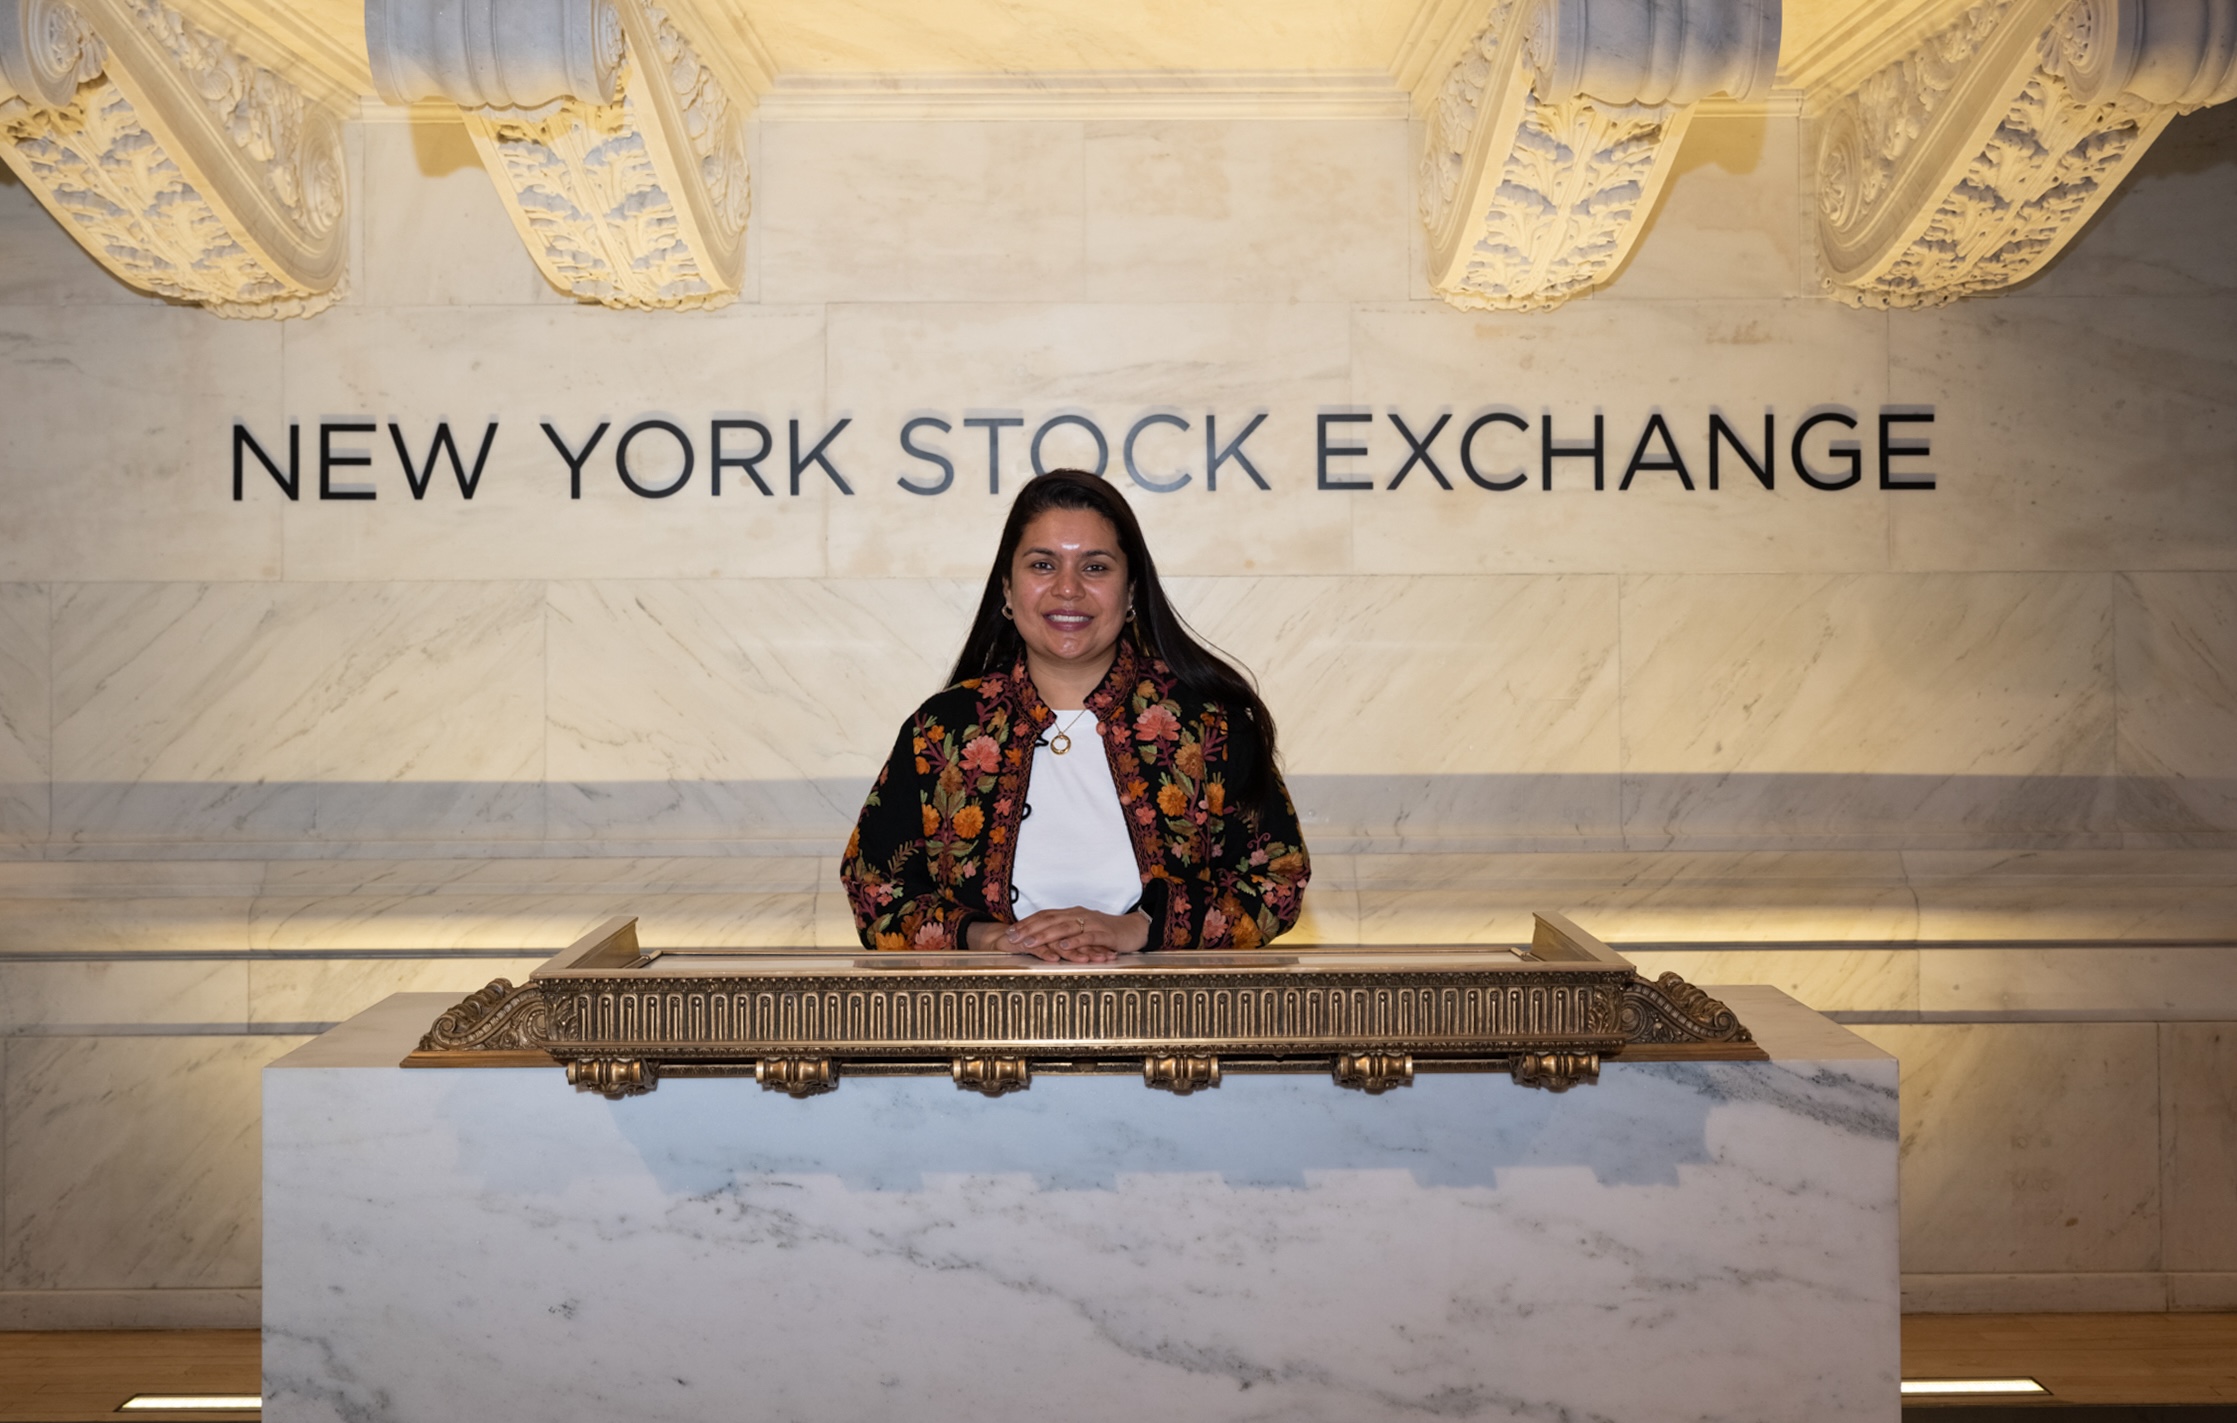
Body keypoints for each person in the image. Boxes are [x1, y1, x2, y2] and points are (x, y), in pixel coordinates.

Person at [842, 470, 1309, 961]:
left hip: (1171, 1024)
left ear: (1131, 592)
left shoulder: (1211, 727)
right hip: (986, 1022)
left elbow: (1277, 881)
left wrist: (1139, 927)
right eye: (1043, 565)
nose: (1067, 590)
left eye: (1095, 568)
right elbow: (874, 889)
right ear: (1007, 587)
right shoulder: (941, 731)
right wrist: (992, 938)